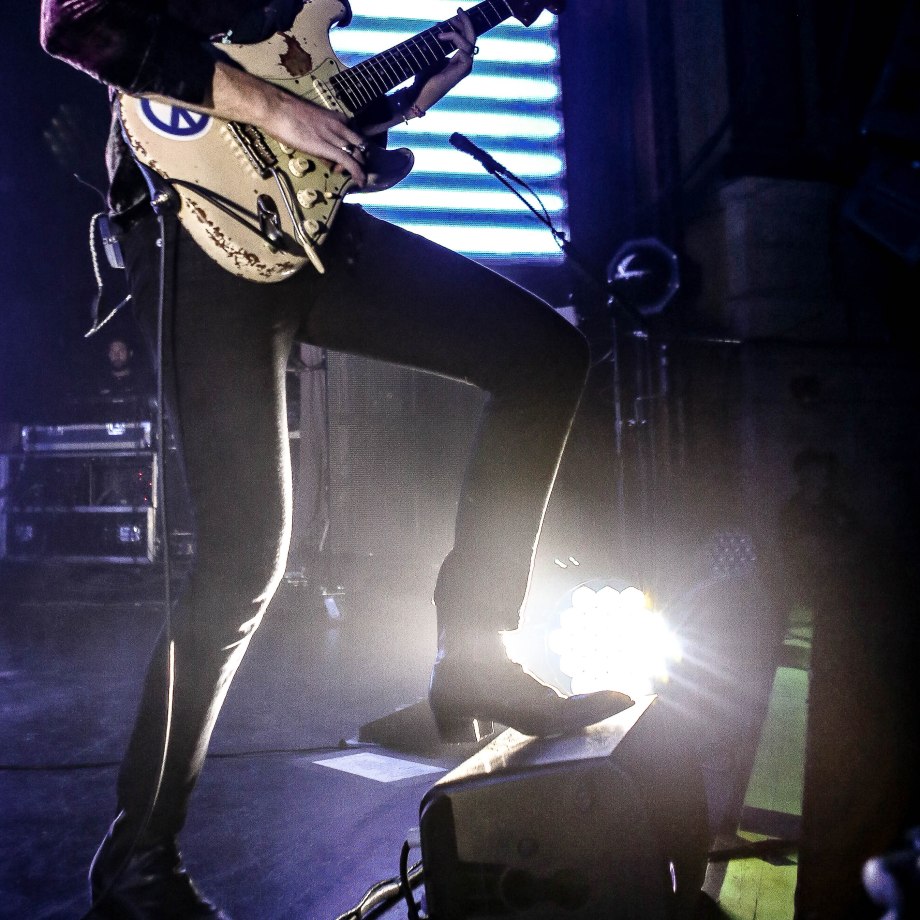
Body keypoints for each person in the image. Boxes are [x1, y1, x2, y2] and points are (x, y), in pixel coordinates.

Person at [39, 2, 634, 917]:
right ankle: (137, 860)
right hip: (196, 239)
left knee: (545, 356)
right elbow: (76, 26)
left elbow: (302, 91)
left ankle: (475, 656)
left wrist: (406, 100)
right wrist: (280, 112)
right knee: (244, 560)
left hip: (304, 227)